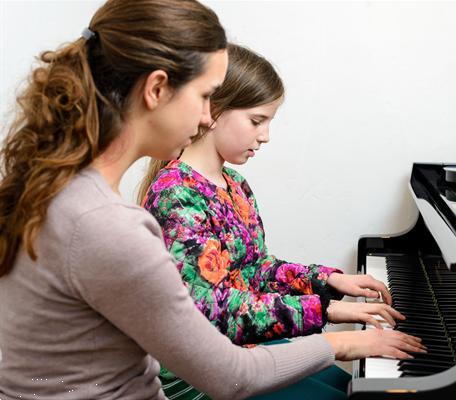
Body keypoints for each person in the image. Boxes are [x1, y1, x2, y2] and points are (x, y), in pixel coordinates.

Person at [0, 1, 424, 399]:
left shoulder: (59, 191)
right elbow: (229, 374)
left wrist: (325, 286)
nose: (208, 116)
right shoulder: (108, 224)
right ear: (157, 90)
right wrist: (336, 335)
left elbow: (251, 270)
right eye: (205, 95)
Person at [139, 44, 425, 400]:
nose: (265, 136)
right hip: (203, 372)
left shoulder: (234, 184)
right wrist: (329, 312)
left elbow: (255, 269)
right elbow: (212, 310)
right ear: (212, 112)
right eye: (257, 121)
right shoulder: (177, 194)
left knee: (354, 387)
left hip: (243, 347)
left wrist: (330, 280)